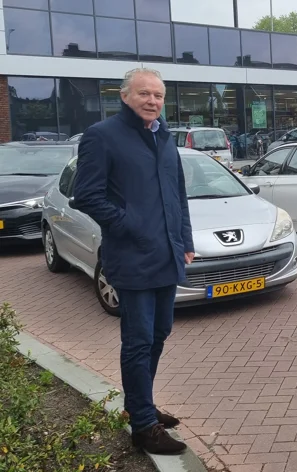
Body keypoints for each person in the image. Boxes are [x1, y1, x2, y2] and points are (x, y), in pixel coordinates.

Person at [72, 68, 193, 455]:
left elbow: (177, 193)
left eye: (158, 95)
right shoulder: (102, 137)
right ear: (124, 96)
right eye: (144, 94)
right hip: (132, 255)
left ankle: (142, 403)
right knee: (138, 342)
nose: (153, 101)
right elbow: (86, 195)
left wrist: (185, 240)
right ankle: (143, 426)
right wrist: (132, 225)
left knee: (159, 335)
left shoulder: (164, 136)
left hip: (166, 254)